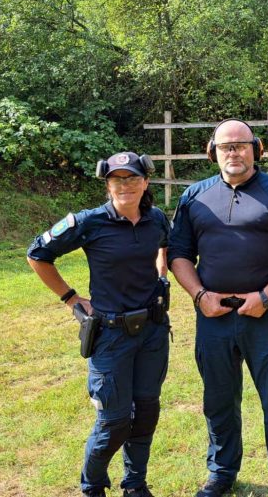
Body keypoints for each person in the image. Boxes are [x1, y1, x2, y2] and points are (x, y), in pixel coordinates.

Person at [167, 119, 268, 497]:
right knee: (218, 400)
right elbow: (179, 253)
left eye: (241, 145)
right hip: (214, 318)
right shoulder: (194, 197)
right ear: (213, 152)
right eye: (225, 147)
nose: (233, 152)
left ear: (257, 149)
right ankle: (221, 472)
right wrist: (200, 296)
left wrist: (265, 296)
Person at [27, 152, 172, 497]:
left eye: (133, 178)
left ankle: (135, 485)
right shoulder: (89, 222)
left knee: (147, 412)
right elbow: (37, 254)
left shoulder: (157, 219)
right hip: (111, 336)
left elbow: (164, 245)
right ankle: (92, 486)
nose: (126, 186)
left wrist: (161, 275)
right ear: (107, 184)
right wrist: (70, 298)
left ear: (145, 182)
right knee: (114, 422)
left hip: (152, 332)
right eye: (118, 180)